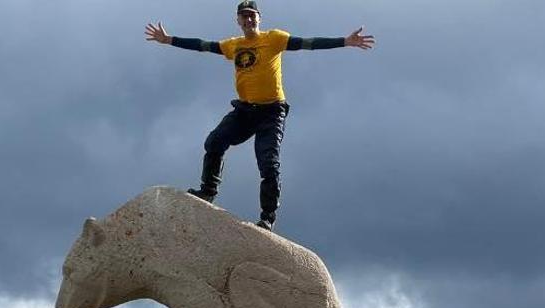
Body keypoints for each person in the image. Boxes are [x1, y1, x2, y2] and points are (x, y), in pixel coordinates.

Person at [145, 0, 374, 231]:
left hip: (272, 113)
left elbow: (308, 43)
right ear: (238, 21)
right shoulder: (233, 45)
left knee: (268, 164)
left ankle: (267, 218)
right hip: (244, 111)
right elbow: (204, 45)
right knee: (214, 142)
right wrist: (169, 39)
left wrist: (345, 41)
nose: (249, 20)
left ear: (259, 18)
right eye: (244, 16)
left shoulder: (273, 39)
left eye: (252, 15)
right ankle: (207, 191)